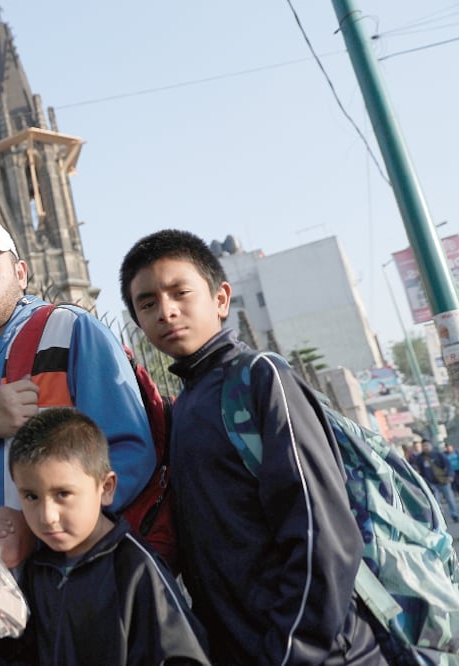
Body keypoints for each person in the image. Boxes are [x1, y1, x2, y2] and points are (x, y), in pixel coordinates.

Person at [119, 229, 383, 664]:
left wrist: (293, 650)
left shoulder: (260, 379)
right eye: (147, 303)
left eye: (180, 292)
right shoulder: (183, 407)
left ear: (220, 299)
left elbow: (323, 533)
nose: (166, 311)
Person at [0, 214, 155, 663]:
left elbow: (128, 455)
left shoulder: (69, 331)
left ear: (20, 272)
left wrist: (36, 522)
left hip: (69, 585)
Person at [9, 407, 211, 665]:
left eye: (62, 494)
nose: (47, 516)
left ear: (105, 488)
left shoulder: (136, 568)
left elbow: (183, 656)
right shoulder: (37, 570)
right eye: (31, 497)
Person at [416, 438, 459, 522]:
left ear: (431, 446)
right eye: (424, 446)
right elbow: (419, 470)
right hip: (431, 483)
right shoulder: (420, 458)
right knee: (435, 501)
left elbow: (448, 465)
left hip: (443, 481)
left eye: (427, 445)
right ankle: (440, 518)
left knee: (450, 499)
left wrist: (450, 475)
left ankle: (455, 515)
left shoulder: (438, 455)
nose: (426, 447)